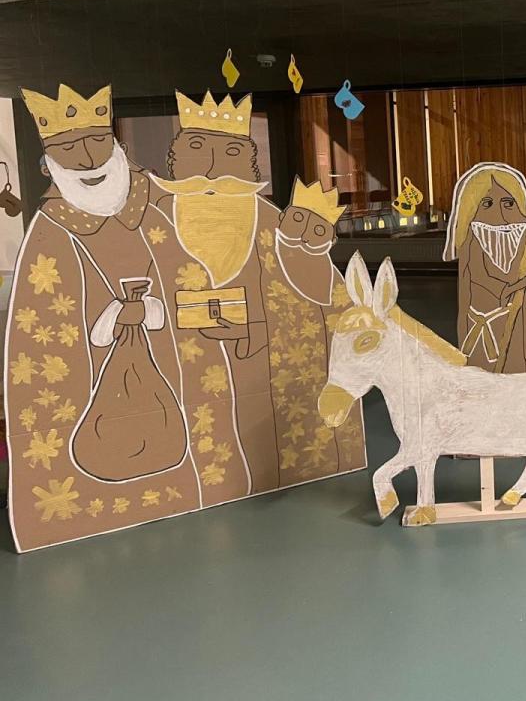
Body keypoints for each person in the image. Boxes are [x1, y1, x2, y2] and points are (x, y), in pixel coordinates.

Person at [5, 84, 205, 551]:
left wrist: (152, 311)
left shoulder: (159, 207)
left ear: (118, 148)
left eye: (96, 141)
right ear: (48, 162)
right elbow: (41, 328)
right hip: (99, 371)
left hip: (162, 359)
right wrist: (113, 318)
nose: (86, 158)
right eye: (68, 148)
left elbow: (190, 274)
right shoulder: (50, 229)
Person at [148, 90, 364, 494]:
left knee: (251, 447)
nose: (212, 168)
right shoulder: (151, 223)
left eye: (229, 153)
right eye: (198, 149)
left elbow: (320, 303)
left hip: (258, 367)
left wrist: (259, 328)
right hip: (176, 366)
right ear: (177, 159)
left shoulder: (276, 226)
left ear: (247, 163)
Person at [441, 162, 526, 372]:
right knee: (488, 371)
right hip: (486, 323)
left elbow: (523, 267)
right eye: (487, 203)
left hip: (514, 319)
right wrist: (510, 288)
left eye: (508, 203)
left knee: (518, 360)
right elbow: (479, 277)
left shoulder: (516, 238)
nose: (499, 215)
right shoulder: (474, 240)